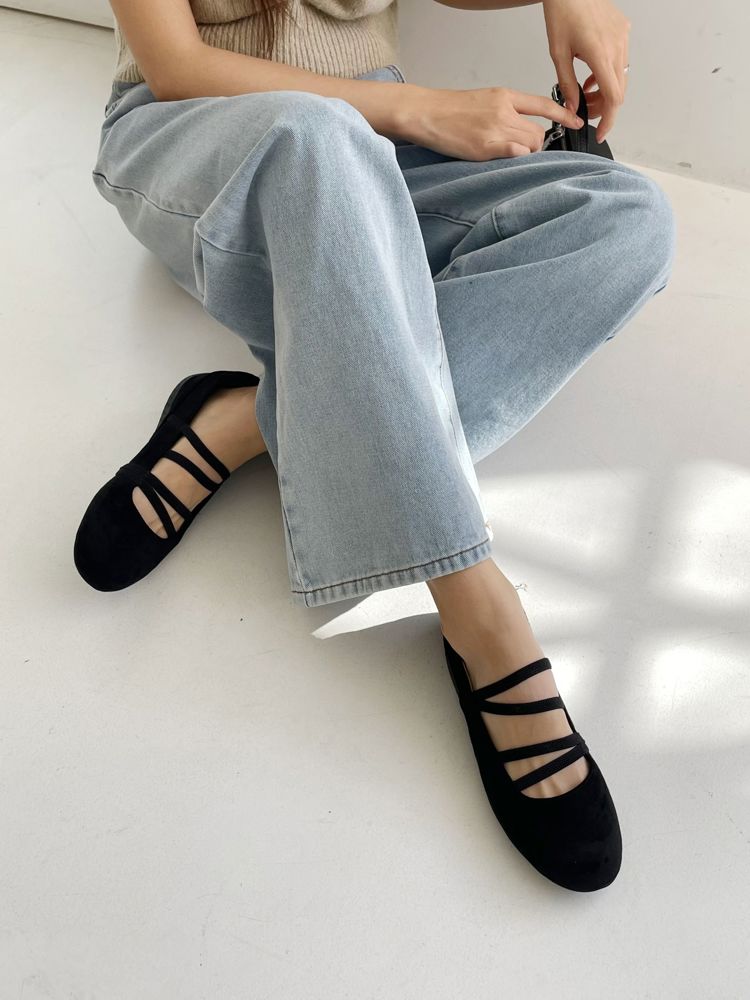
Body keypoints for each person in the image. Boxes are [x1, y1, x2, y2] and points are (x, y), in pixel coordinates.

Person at [74, 0, 675, 892]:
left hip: (386, 151)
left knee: (630, 218)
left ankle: (245, 424)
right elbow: (177, 65)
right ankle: (478, 607)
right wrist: (420, 108)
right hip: (199, 139)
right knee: (318, 135)